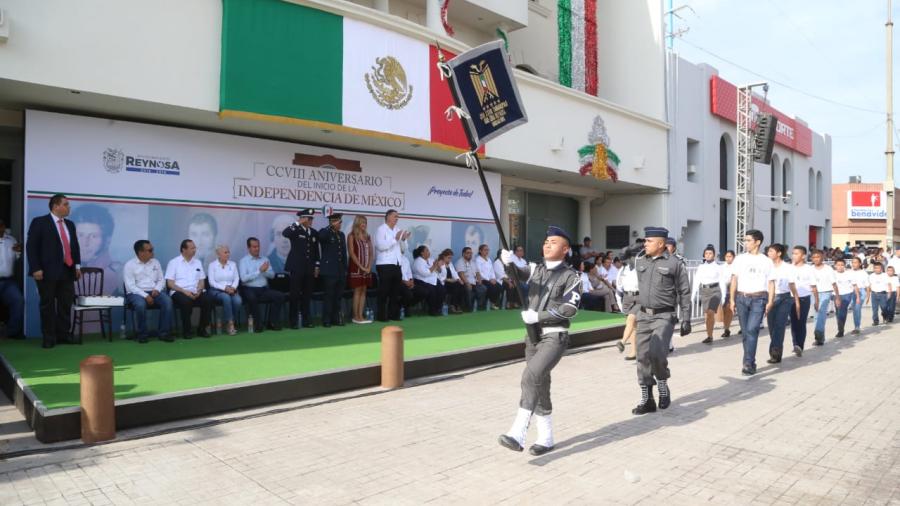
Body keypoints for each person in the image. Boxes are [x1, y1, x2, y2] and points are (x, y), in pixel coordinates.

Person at [497, 226, 582, 456]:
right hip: (532, 337)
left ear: (565, 249)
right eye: (546, 241)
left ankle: (518, 432)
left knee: (530, 376)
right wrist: (508, 263)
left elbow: (569, 308)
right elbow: (517, 274)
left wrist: (539, 316)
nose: (547, 244)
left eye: (553, 242)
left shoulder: (571, 276)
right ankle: (546, 437)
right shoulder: (537, 269)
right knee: (541, 385)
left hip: (554, 336)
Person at [630, 227, 691, 415]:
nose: (645, 244)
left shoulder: (675, 264)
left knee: (656, 353)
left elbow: (684, 291)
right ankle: (647, 399)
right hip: (643, 315)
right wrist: (627, 252)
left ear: (661, 244)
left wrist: (686, 318)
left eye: (649, 241)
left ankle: (662, 383)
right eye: (644, 241)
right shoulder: (641, 260)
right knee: (642, 358)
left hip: (664, 316)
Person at [27, 193, 82, 348]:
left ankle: (63, 335)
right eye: (66, 204)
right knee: (48, 305)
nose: (68, 207)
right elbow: (31, 247)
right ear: (55, 206)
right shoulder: (40, 222)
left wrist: (77, 266)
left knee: (65, 304)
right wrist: (35, 268)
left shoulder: (70, 224)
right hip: (46, 272)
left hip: (67, 270)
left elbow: (74, 247)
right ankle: (49, 337)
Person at [729, 229, 774, 376]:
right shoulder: (740, 259)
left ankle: (748, 363)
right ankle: (750, 361)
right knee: (745, 333)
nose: (745, 243)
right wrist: (731, 299)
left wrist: (770, 301)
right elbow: (734, 279)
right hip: (741, 298)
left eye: (748, 240)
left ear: (757, 242)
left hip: (759, 299)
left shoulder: (766, 261)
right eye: (745, 240)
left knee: (752, 330)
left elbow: (771, 283)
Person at [123, 240, 173, 343]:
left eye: (152, 250)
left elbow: (161, 280)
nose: (153, 252)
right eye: (150, 250)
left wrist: (157, 289)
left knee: (167, 301)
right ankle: (142, 334)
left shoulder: (155, 262)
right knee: (140, 305)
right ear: (141, 252)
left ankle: (164, 333)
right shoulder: (129, 265)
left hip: (154, 291)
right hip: (136, 293)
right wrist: (145, 295)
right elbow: (130, 286)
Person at [165, 239, 214, 338]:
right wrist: (184, 291)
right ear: (184, 250)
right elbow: (170, 283)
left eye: (195, 248)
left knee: (208, 300)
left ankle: (202, 329)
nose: (195, 250)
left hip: (196, 291)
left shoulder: (198, 262)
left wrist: (199, 290)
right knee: (186, 302)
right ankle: (187, 330)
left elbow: (201, 280)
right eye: (192, 248)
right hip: (179, 291)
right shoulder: (173, 262)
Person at [71, 204, 122, 296]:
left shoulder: (113, 274)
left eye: (93, 236)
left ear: (107, 240)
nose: (85, 243)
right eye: (80, 235)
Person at [238, 237, 285, 332]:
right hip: (248, 289)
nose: (257, 249)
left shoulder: (265, 259)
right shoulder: (243, 261)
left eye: (258, 246)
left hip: (263, 289)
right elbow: (243, 279)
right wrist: (259, 271)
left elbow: (272, 275)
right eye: (254, 247)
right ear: (249, 248)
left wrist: (264, 272)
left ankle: (272, 322)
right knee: (252, 298)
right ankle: (257, 324)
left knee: (280, 296)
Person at [283, 208, 320, 328]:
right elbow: (285, 233)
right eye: (308, 218)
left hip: (309, 268)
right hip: (297, 267)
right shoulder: (296, 230)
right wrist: (297, 222)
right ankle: (293, 321)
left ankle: (306, 320)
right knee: (295, 295)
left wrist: (317, 265)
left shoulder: (313, 232)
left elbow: (315, 251)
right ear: (303, 219)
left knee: (307, 295)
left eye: (311, 219)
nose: (310, 221)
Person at [373, 209, 409, 322]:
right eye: (395, 216)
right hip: (384, 264)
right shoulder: (381, 230)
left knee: (395, 292)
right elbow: (380, 246)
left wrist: (403, 240)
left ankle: (393, 315)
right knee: (384, 292)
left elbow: (404, 249)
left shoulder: (398, 230)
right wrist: (395, 239)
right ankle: (382, 316)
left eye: (397, 216)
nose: (397, 218)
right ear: (388, 217)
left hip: (397, 264)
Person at [765, 244, 798, 364]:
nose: (769, 253)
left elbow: (792, 284)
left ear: (779, 253)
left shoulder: (788, 268)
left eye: (771, 251)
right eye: (768, 251)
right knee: (772, 326)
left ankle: (775, 353)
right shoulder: (766, 266)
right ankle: (777, 350)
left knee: (779, 326)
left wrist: (796, 299)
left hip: (784, 298)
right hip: (770, 298)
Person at [691, 244, 725, 345]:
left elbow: (722, 282)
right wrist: (692, 296)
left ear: (714, 255)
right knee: (707, 316)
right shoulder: (701, 267)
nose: (708, 255)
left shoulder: (718, 267)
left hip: (715, 290)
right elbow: (696, 281)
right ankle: (709, 336)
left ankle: (710, 335)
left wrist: (723, 297)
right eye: (706, 253)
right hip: (704, 292)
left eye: (710, 253)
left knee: (710, 312)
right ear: (704, 255)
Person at [319, 213, 347, 327]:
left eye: (340, 222)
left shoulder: (341, 235)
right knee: (329, 296)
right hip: (329, 270)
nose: (340, 224)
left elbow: (343, 252)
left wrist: (345, 268)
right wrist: (330, 226)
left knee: (338, 296)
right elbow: (320, 237)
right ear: (332, 222)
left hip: (340, 270)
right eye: (338, 222)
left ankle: (336, 319)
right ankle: (326, 320)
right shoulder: (325, 232)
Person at [788, 246, 818, 357]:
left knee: (801, 322)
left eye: (796, 254)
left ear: (803, 256)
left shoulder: (809, 269)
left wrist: (816, 301)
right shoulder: (789, 268)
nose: (793, 256)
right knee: (794, 323)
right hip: (790, 299)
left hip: (804, 298)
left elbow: (814, 286)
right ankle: (795, 344)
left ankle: (800, 345)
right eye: (793, 253)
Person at [207, 244, 242, 336]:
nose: (228, 254)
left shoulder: (233, 264)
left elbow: (236, 278)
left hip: (231, 289)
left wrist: (233, 288)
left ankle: (230, 321)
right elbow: (211, 282)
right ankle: (230, 324)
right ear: (218, 254)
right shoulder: (212, 265)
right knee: (226, 298)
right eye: (225, 252)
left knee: (238, 301)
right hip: (216, 291)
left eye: (228, 252)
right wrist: (224, 288)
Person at [615, 243, 641, 361]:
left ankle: (622, 342)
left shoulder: (641, 268)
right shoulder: (622, 270)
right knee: (633, 327)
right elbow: (619, 288)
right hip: (627, 298)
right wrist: (620, 305)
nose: (624, 261)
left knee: (631, 319)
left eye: (626, 258)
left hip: (639, 297)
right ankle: (634, 351)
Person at [347, 215, 374, 324]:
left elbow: (371, 253)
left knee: (364, 290)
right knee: (357, 290)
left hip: (366, 268)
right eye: (362, 223)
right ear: (357, 223)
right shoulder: (351, 236)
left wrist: (368, 266)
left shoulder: (367, 236)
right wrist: (361, 267)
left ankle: (361, 315)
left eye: (365, 223)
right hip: (356, 267)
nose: (364, 225)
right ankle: (356, 316)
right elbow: (352, 253)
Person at [0, 219, 23, 339]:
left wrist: (18, 252)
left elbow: (17, 258)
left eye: (1, 226)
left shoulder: (11, 240)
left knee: (18, 301)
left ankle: (12, 332)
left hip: (8, 281)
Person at [811, 249, 840, 345]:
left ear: (822, 257)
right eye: (814, 257)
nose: (816, 259)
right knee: (816, 316)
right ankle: (820, 339)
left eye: (818, 257)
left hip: (826, 293)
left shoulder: (828, 269)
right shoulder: (810, 269)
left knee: (822, 313)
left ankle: (818, 333)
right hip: (814, 293)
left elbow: (834, 284)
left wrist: (837, 297)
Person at [412, 245, 445, 316]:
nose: (429, 252)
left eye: (428, 250)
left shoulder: (431, 259)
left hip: (432, 280)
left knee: (441, 289)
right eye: (427, 250)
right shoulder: (418, 261)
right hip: (421, 281)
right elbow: (425, 273)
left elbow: (439, 271)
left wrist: (438, 266)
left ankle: (438, 308)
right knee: (432, 290)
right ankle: (432, 310)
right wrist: (434, 266)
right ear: (422, 253)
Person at [833, 259, 858, 338]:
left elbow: (854, 285)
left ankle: (840, 330)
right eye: (838, 265)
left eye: (842, 265)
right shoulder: (832, 274)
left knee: (842, 311)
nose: (840, 267)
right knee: (838, 312)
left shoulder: (849, 274)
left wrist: (857, 296)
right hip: (836, 295)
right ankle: (841, 328)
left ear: (844, 266)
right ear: (835, 266)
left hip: (847, 294)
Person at [455, 247, 485, 311]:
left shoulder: (473, 262)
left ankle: (479, 306)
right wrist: (467, 283)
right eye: (468, 253)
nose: (470, 254)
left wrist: (479, 280)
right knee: (468, 290)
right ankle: (468, 308)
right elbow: (461, 274)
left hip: (474, 282)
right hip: (465, 282)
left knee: (483, 288)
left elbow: (477, 272)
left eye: (471, 253)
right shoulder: (460, 262)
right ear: (463, 254)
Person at [474, 244, 502, 310]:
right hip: (483, 279)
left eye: (488, 250)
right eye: (485, 250)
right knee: (492, 287)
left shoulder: (489, 259)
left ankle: (494, 303)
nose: (487, 251)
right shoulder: (478, 260)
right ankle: (490, 303)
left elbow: (492, 270)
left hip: (490, 279)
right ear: (480, 251)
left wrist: (493, 278)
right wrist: (489, 280)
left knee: (499, 286)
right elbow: (479, 272)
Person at [848, 257, 869, 335]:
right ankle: (856, 326)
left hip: (861, 291)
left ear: (860, 263)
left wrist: (868, 296)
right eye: (853, 262)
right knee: (855, 310)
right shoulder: (849, 272)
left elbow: (867, 286)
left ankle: (857, 327)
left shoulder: (863, 273)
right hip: (851, 291)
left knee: (857, 308)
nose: (854, 264)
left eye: (856, 262)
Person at [867, 262, 890, 327]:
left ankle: (885, 316)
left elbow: (888, 284)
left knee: (884, 307)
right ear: (873, 269)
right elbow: (869, 286)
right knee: (874, 309)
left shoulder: (885, 275)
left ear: (881, 268)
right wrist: (868, 296)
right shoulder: (871, 276)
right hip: (874, 294)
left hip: (883, 294)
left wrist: (889, 293)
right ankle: (875, 321)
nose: (877, 269)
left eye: (878, 268)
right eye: (875, 268)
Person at [720, 250, 736, 338]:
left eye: (730, 256)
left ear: (734, 257)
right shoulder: (722, 267)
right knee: (726, 310)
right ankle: (726, 328)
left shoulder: (737, 267)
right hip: (724, 291)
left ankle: (743, 327)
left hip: (735, 291)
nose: (728, 258)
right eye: (727, 256)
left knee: (731, 310)